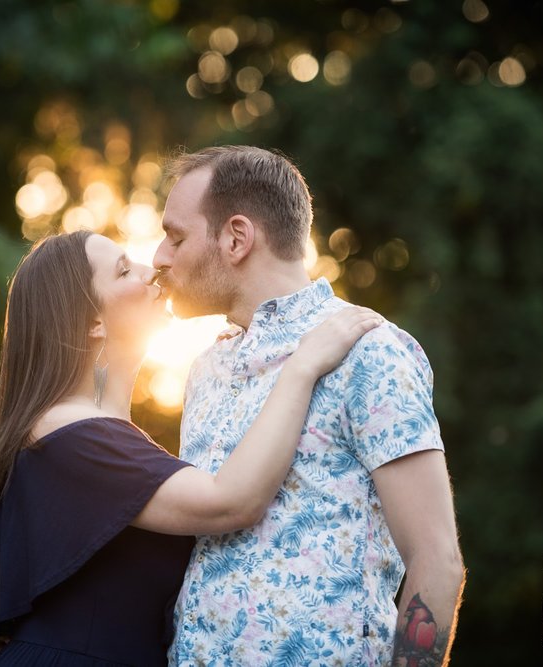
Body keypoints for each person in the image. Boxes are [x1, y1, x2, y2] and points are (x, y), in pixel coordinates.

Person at [0, 229, 383, 666]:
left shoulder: (77, 430)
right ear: (94, 322)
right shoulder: (72, 437)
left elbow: (112, 424)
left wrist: (126, 359)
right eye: (125, 270)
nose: (153, 271)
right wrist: (302, 366)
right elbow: (230, 501)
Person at [153, 145, 466, 666]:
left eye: (176, 236)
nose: (160, 257)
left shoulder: (371, 351)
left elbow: (437, 559)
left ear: (236, 238)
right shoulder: (207, 370)